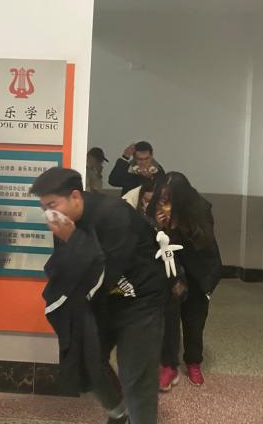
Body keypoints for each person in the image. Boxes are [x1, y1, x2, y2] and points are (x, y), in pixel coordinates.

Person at [31, 167, 168, 424]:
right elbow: (68, 268)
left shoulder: (113, 214)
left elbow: (104, 270)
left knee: (136, 375)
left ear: (75, 196)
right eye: (43, 208)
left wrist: (72, 238)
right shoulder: (64, 223)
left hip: (141, 300)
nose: (48, 214)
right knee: (88, 360)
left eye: (52, 205)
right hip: (103, 300)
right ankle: (119, 412)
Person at [147, 172, 222, 391]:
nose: (164, 203)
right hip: (169, 269)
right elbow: (150, 240)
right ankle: (168, 365)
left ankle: (193, 362)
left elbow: (203, 242)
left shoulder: (200, 209)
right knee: (168, 319)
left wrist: (175, 227)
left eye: (169, 199)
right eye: (161, 198)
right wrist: (159, 227)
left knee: (194, 319)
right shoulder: (156, 209)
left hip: (198, 270)